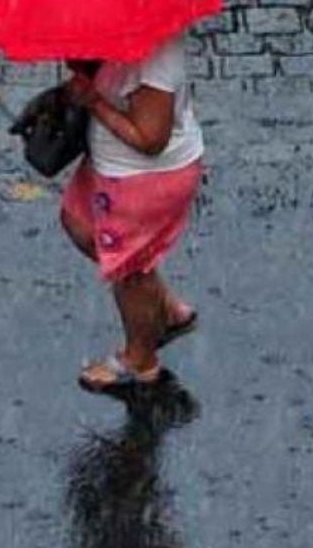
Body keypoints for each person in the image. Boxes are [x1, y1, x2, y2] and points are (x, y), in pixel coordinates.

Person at [58, 35, 205, 394]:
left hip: (141, 181)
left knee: (129, 270)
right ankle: (165, 310)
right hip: (110, 168)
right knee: (78, 222)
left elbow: (151, 139)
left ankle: (141, 360)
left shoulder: (154, 62)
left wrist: (93, 102)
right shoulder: (118, 33)